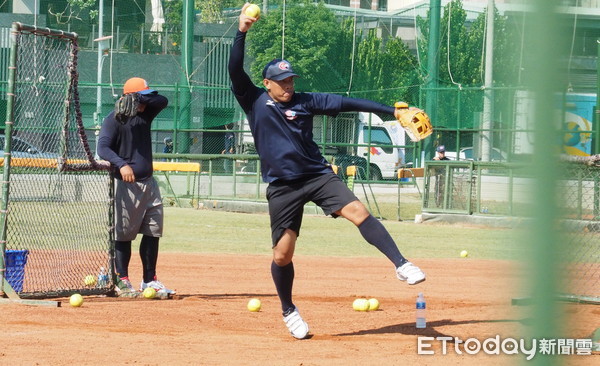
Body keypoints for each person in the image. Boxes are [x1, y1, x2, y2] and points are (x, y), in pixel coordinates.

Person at [228, 4, 425, 340]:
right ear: (267, 83)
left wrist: (390, 111)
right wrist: (242, 32)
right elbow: (234, 70)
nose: (288, 85)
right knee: (283, 253)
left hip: (317, 176)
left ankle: (401, 264)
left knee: (359, 211)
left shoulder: (306, 100)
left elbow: (348, 102)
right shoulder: (255, 100)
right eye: (281, 81)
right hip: (282, 187)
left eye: (290, 79)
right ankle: (289, 309)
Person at [97, 77, 175, 295]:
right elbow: (102, 148)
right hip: (126, 186)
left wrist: (141, 96)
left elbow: (163, 100)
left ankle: (149, 280)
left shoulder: (145, 115)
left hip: (149, 184)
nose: (145, 103)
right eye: (141, 98)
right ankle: (121, 279)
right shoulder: (113, 120)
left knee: (153, 231)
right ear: (129, 98)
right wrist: (121, 165)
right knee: (124, 234)